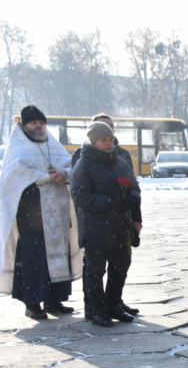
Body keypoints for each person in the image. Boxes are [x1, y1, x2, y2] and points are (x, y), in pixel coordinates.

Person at [0, 106, 83, 319]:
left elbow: (71, 167)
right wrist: (45, 177)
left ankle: (54, 300)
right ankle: (32, 303)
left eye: (41, 122)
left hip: (57, 213)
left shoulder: (52, 143)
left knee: (58, 256)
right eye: (33, 122)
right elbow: (13, 176)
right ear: (24, 126)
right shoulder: (17, 147)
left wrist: (64, 174)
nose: (38, 126)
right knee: (33, 260)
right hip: (32, 215)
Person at [70, 122, 143, 327]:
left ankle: (113, 305)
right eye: (104, 140)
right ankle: (97, 310)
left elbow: (133, 185)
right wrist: (109, 203)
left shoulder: (120, 162)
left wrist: (133, 197)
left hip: (120, 226)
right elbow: (80, 196)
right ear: (93, 141)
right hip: (96, 226)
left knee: (120, 268)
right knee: (96, 271)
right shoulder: (83, 164)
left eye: (110, 139)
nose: (109, 143)